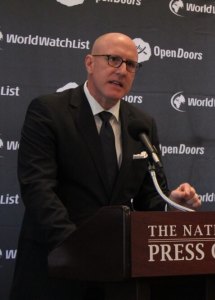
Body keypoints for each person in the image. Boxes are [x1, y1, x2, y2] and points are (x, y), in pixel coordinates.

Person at [10, 32, 201, 300]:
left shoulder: (142, 123)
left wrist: (170, 201)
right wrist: (77, 249)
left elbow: (148, 199)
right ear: (90, 63)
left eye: (131, 65)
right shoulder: (49, 111)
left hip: (118, 276)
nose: (122, 71)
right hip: (57, 268)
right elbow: (38, 188)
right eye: (113, 60)